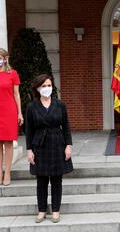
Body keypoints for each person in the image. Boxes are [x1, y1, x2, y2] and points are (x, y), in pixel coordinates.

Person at [25, 74, 73, 223]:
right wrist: (29, 150)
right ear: (38, 88)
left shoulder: (60, 105)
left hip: (57, 143)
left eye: (49, 85)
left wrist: (68, 146)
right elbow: (28, 130)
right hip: (39, 145)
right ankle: (41, 211)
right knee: (42, 181)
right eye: (44, 86)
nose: (47, 88)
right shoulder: (32, 107)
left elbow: (66, 126)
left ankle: (56, 211)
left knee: (57, 180)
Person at [0, 47, 24, 186]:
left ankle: (7, 172)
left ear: (5, 59)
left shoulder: (13, 74)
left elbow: (16, 94)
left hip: (9, 111)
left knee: (8, 143)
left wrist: (19, 112)